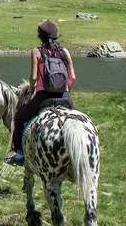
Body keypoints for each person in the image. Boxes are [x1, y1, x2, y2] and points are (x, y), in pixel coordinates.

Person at [6, 20, 76, 166]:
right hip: (64, 96)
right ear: (56, 35)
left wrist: (32, 90)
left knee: (19, 118)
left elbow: (33, 77)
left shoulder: (37, 52)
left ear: (40, 36)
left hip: (43, 95)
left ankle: (20, 154)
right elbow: (72, 77)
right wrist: (66, 90)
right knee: (76, 122)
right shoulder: (64, 52)